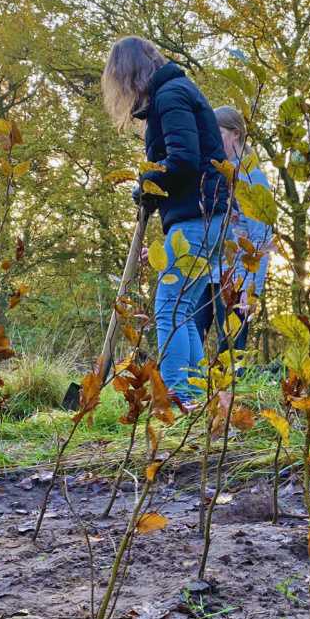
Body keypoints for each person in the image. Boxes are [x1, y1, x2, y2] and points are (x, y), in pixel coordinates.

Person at [102, 36, 229, 399]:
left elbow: (185, 159)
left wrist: (148, 183)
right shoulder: (174, 92)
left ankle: (179, 398)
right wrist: (151, 187)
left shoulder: (170, 96)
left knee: (171, 309)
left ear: (130, 75)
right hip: (206, 216)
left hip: (197, 217)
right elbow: (184, 160)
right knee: (183, 310)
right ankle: (192, 399)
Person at [195, 105, 272, 354]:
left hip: (237, 277)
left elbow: (261, 238)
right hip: (205, 272)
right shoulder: (214, 175)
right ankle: (183, 393)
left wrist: (252, 290)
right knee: (190, 338)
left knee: (229, 350)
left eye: (218, 133)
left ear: (235, 134)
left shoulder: (253, 178)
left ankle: (228, 394)